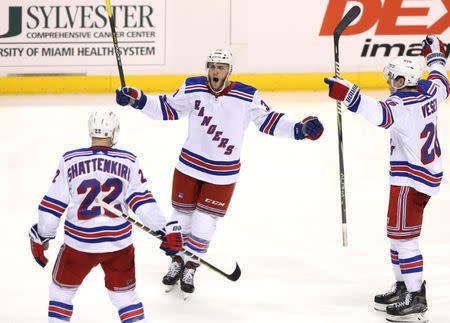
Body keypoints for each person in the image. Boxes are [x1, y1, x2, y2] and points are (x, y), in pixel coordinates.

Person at [115, 49, 324, 297]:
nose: (216, 71)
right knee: (181, 218)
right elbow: (168, 108)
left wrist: (299, 129)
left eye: (221, 67)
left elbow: (269, 121)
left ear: (229, 71)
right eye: (213, 66)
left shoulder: (247, 95)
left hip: (222, 173)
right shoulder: (192, 87)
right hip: (188, 166)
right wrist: (137, 99)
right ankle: (177, 260)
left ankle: (191, 264)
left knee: (204, 222)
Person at [324, 35, 447, 322]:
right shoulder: (430, 91)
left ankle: (416, 298)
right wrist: (436, 57)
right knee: (396, 235)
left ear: (404, 80)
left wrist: (349, 93)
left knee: (405, 240)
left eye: (394, 78)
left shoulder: (401, 105)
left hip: (411, 180)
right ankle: (404, 286)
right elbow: (442, 80)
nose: (390, 82)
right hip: (422, 175)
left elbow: (380, 114)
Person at [29, 108, 183, 322]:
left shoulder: (70, 160)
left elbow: (52, 205)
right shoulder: (128, 161)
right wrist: (164, 230)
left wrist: (42, 235)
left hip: (79, 245)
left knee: (60, 295)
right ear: (114, 133)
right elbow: (143, 202)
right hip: (118, 246)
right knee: (126, 299)